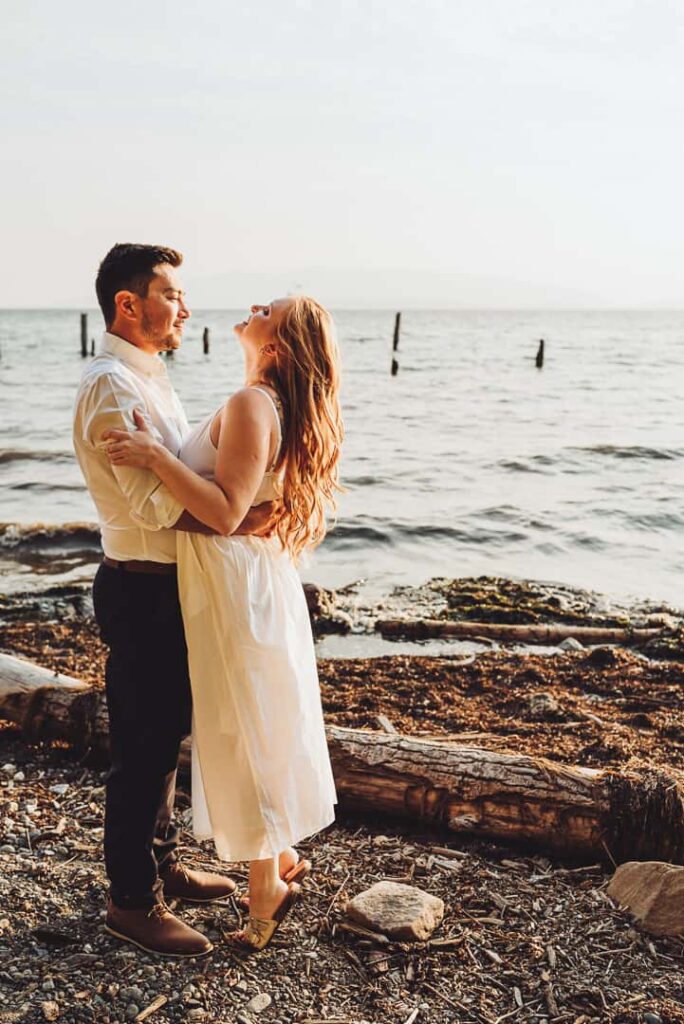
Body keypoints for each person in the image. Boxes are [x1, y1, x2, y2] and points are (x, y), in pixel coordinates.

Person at [103, 294, 342, 950]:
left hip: (236, 586)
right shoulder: (272, 405)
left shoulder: (250, 404)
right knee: (259, 721)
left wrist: (154, 458)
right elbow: (248, 507)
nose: (255, 304)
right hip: (253, 578)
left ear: (279, 347)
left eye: (272, 309)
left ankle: (266, 891)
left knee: (244, 727)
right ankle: (278, 856)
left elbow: (227, 511)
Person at [73, 243, 272, 959]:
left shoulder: (149, 378)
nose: (185, 307)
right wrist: (238, 519)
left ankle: (163, 866)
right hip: (140, 586)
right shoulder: (112, 387)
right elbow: (152, 504)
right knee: (143, 749)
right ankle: (132, 902)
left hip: (171, 585)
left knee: (164, 742)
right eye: (171, 294)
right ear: (129, 303)